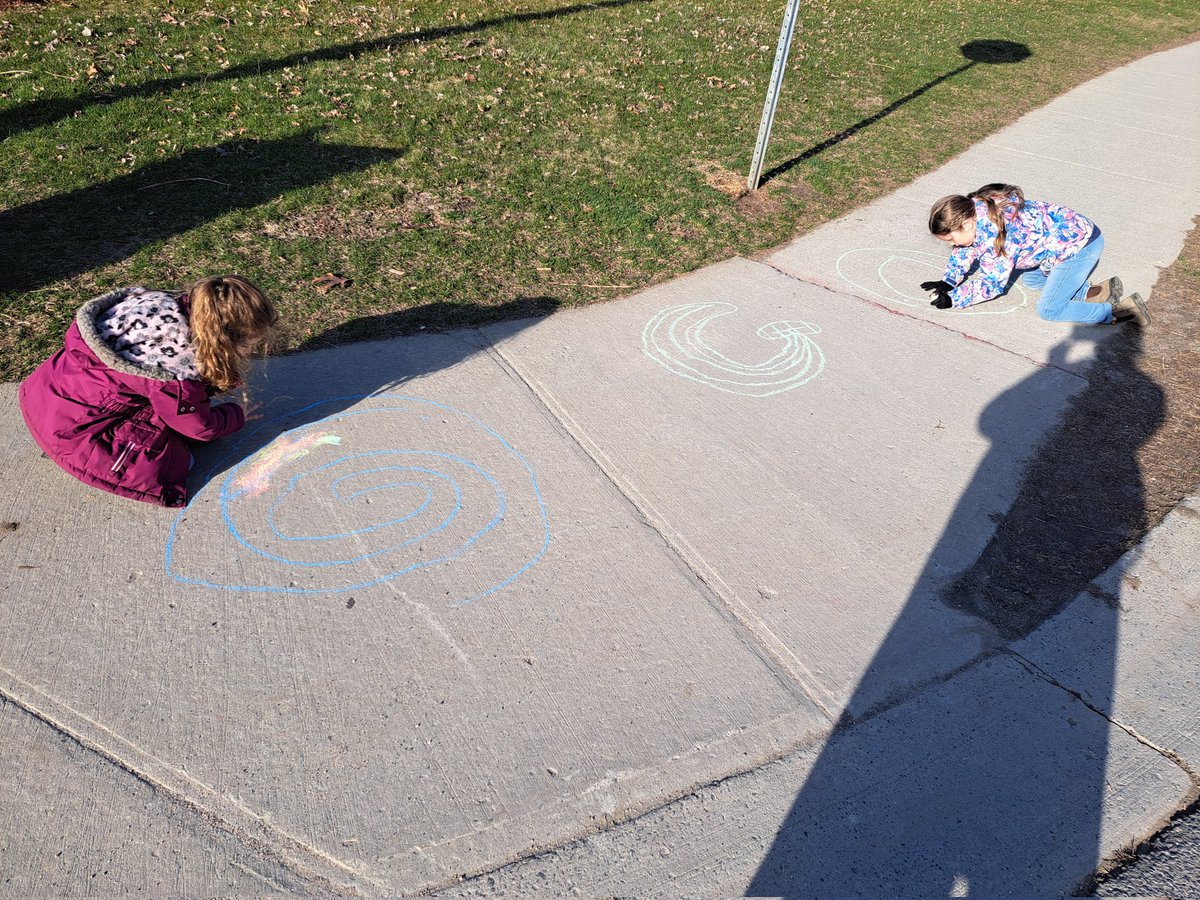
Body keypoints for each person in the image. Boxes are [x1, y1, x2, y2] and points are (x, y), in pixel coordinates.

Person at [18, 275, 277, 507]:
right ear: (224, 340)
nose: (250, 353)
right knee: (176, 462)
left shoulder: (156, 303)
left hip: (43, 396)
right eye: (249, 346)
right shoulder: (177, 368)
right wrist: (234, 414)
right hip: (74, 436)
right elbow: (198, 427)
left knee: (160, 404)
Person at [921, 183, 1150, 326]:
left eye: (950, 238)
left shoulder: (995, 235)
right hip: (1072, 239)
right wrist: (949, 281)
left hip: (1080, 247)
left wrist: (955, 298)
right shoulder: (976, 208)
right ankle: (1096, 291)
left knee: (1049, 309)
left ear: (968, 225)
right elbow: (965, 250)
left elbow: (991, 284)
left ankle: (1118, 312)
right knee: (1032, 278)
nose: (952, 244)